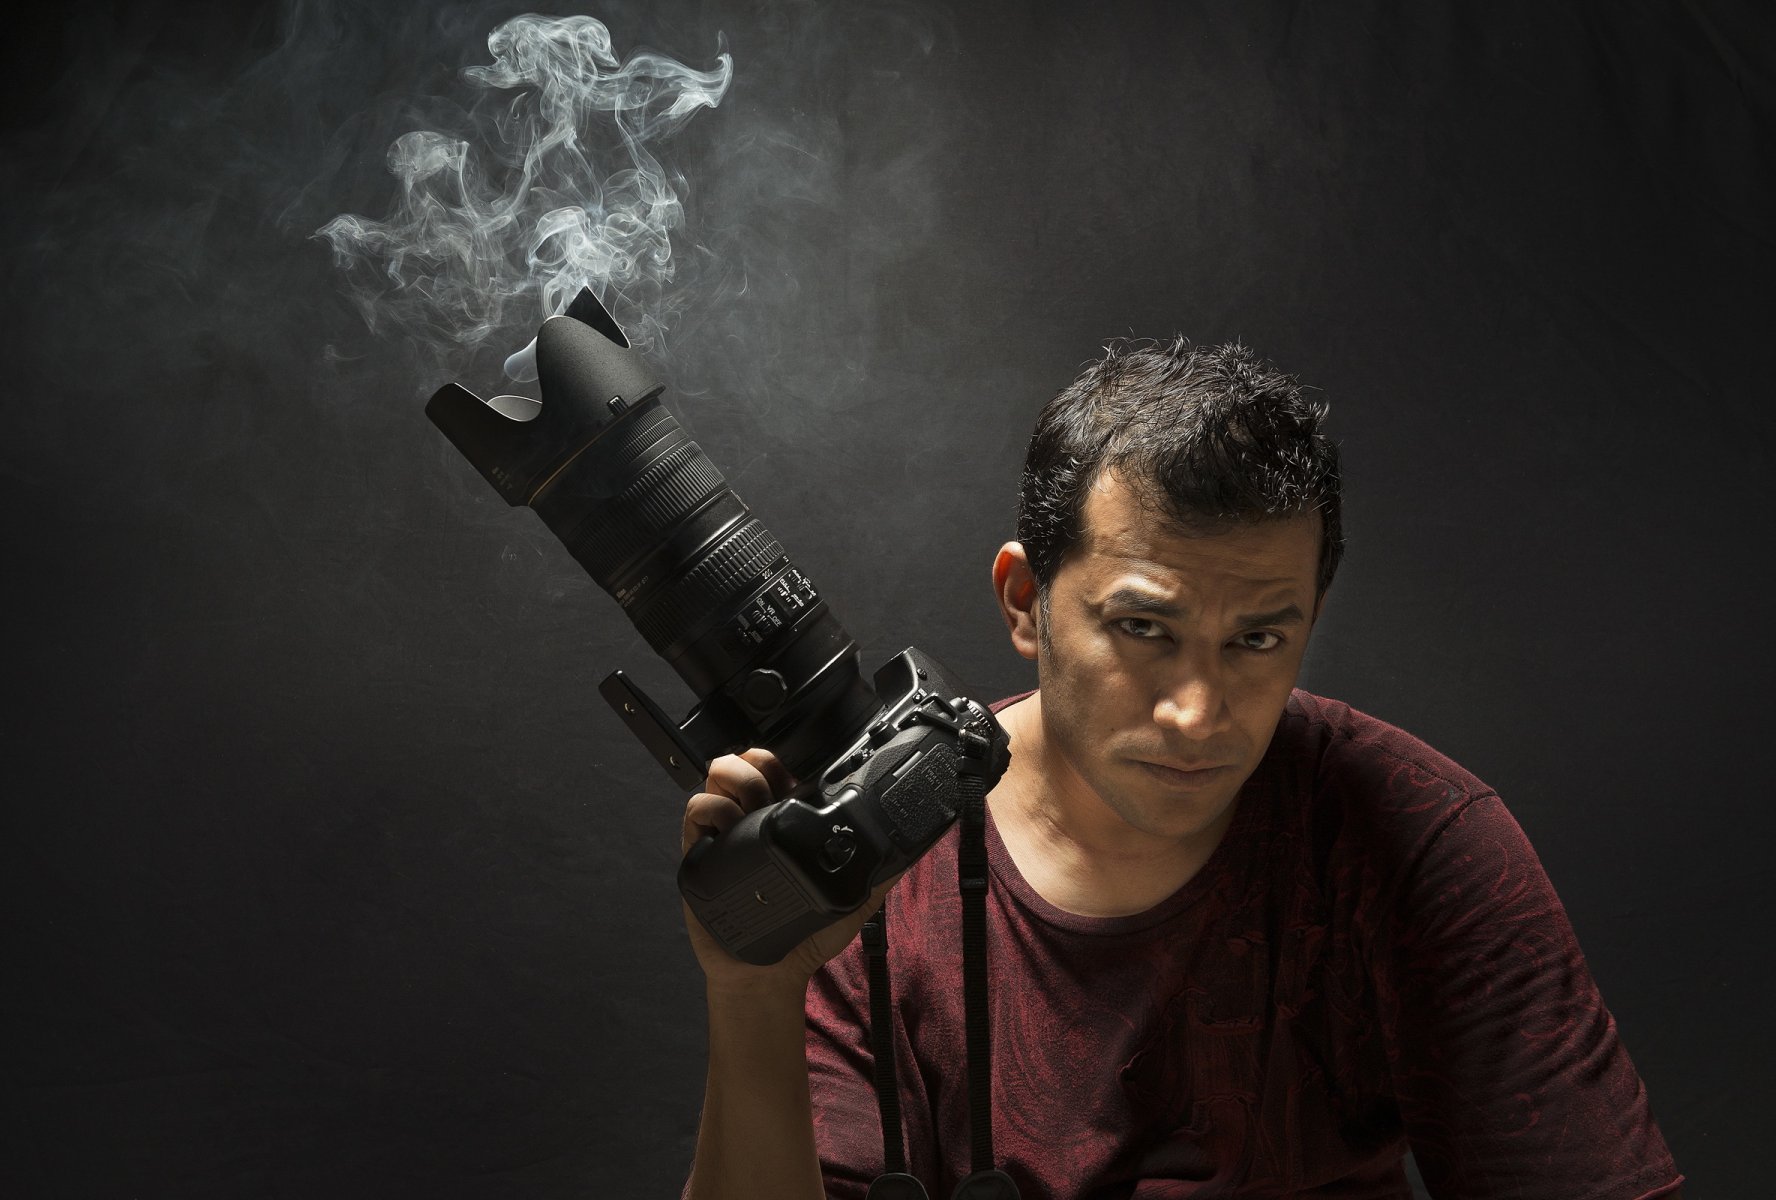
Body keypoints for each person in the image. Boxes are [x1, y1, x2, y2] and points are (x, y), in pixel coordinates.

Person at [676, 337, 1684, 1200]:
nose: (1197, 712)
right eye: (1144, 628)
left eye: (1257, 640)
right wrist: (754, 991)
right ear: (1026, 601)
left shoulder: (1420, 841)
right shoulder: (868, 852)